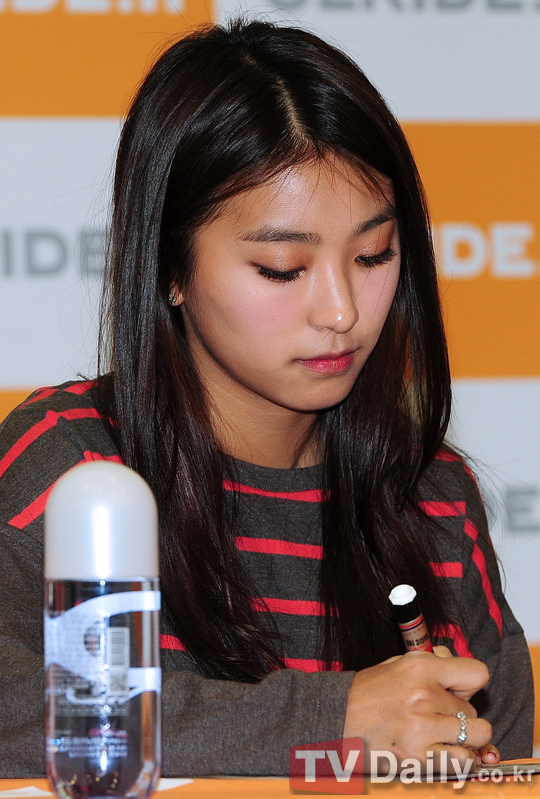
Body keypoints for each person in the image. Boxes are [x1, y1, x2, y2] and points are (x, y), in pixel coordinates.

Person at [0, 18, 533, 780]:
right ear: (170, 268)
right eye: (283, 267)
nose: (341, 311)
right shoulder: (70, 466)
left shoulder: (432, 494)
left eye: (373, 254)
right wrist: (330, 721)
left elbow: (506, 767)